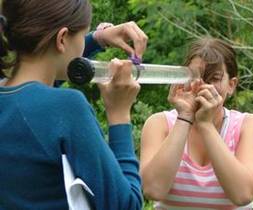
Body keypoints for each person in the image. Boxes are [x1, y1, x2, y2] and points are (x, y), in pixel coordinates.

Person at [0, 0, 147, 210]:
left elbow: (34, 96)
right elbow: (126, 205)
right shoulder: (67, 107)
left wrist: (97, 39)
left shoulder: (12, 98)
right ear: (62, 38)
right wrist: (119, 114)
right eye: (81, 35)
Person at [140, 37, 253, 209]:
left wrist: (206, 125)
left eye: (214, 78)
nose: (202, 85)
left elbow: (243, 195)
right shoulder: (159, 124)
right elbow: (153, 190)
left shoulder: (249, 126)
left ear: (231, 85)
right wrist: (185, 116)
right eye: (194, 76)